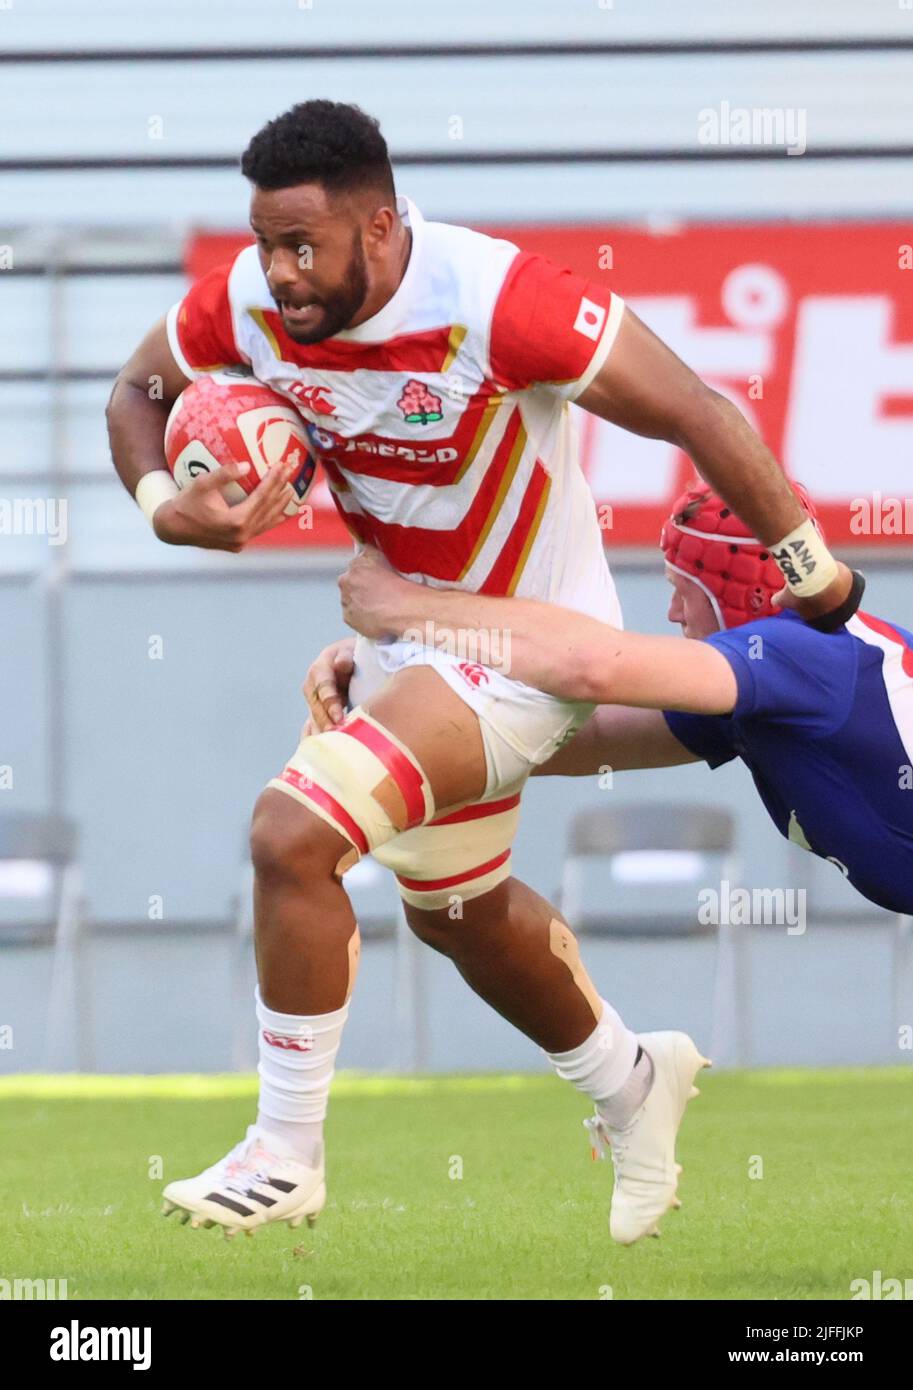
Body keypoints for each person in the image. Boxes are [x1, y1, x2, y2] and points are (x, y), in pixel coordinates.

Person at [106, 98, 862, 1246]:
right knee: (457, 912)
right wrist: (170, 512)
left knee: (289, 835)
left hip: (524, 648)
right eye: (263, 242)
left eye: (302, 244)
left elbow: (698, 411)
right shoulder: (250, 302)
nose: (278, 273)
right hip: (401, 643)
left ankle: (285, 1148)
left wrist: (812, 579)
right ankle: (630, 1080)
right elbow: (138, 391)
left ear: (384, 225)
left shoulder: (499, 300)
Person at [323, 482, 912, 915]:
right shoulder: (767, 684)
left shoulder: (795, 654)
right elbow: (572, 738)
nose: (673, 612)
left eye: (682, 590)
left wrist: (409, 610)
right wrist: (384, 690)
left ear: (730, 586)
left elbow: (589, 669)